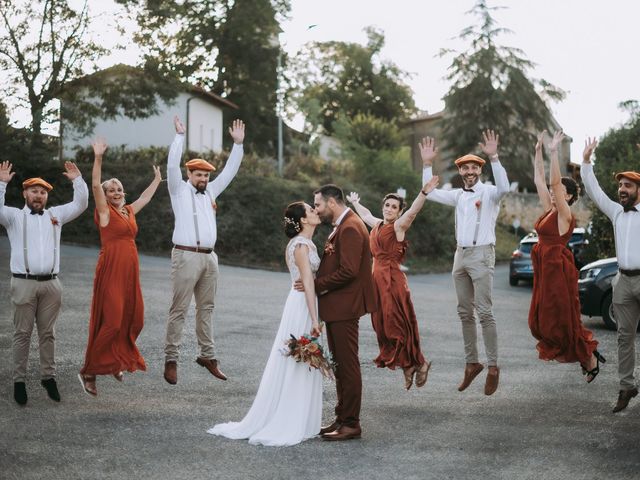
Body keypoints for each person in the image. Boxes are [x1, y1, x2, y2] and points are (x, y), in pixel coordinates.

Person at [208, 202, 323, 446]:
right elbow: (308, 284)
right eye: (311, 210)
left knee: (302, 358)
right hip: (303, 305)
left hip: (302, 301)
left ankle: (300, 416)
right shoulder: (301, 246)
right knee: (298, 357)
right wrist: (315, 319)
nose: (315, 211)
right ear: (302, 220)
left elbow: (311, 280)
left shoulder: (304, 243)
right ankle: (289, 418)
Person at [419, 132, 508, 396]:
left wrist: (494, 156)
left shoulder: (490, 193)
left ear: (479, 170)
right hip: (460, 255)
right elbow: (430, 193)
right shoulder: (458, 195)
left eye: (473, 167)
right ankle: (472, 363)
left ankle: (492, 366)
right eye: (465, 168)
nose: (469, 171)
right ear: (460, 171)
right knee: (464, 312)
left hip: (482, 255)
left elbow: (505, 188)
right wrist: (426, 164)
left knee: (484, 312)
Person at [163, 116, 245, 385]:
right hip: (185, 255)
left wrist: (238, 145)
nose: (204, 179)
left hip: (210, 257)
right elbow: (171, 165)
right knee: (179, 309)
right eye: (199, 175)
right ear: (190, 175)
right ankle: (171, 359)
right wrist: (179, 137)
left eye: (207, 175)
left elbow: (230, 172)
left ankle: (207, 356)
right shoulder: (178, 190)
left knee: (207, 308)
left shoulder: (211, 192)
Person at [78, 138, 163, 396]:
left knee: (135, 320)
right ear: (105, 195)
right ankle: (89, 371)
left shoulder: (128, 211)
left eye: (119, 189)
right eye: (111, 190)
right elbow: (94, 183)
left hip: (130, 270)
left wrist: (157, 180)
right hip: (111, 269)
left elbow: (145, 198)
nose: (116, 192)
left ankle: (115, 359)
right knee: (112, 323)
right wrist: (99, 158)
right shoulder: (105, 213)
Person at [0, 160, 88, 405]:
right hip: (23, 283)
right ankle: (19, 381)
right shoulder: (14, 217)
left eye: (43, 192)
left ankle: (48, 377)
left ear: (46, 196)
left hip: (51, 284)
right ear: (25, 193)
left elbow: (81, 204)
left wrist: (78, 181)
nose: (38, 195)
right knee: (22, 334)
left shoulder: (55, 215)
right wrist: (1, 184)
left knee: (48, 334)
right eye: (34, 191)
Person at [295, 184, 377, 441]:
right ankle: (342, 417)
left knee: (348, 365)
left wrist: (315, 285)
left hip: (345, 306)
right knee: (341, 364)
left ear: (332, 203)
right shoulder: (344, 225)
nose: (316, 210)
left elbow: (349, 271)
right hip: (339, 306)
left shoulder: (351, 227)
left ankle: (351, 423)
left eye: (318, 205)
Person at [346, 176, 439, 390]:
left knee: (395, 324)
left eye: (394, 207)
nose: (389, 209)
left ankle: (418, 363)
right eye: (386, 205)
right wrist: (355, 203)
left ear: (398, 212)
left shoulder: (398, 227)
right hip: (376, 280)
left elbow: (413, 212)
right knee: (381, 327)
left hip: (393, 280)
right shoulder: (377, 225)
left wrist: (423, 193)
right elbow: (366, 215)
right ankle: (409, 366)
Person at [528, 131, 603, 381]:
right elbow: (540, 180)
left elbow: (553, 183)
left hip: (557, 269)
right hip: (544, 268)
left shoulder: (564, 215)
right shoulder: (549, 210)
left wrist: (553, 152)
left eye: (559, 193)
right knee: (543, 320)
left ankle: (588, 356)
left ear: (568, 197)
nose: (552, 194)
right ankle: (586, 356)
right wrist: (538, 151)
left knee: (562, 319)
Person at [582, 138, 640, 413]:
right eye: (620, 186)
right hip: (623, 281)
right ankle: (627, 386)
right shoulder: (617, 212)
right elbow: (595, 193)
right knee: (623, 336)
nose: (621, 190)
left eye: (627, 185)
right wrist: (585, 162)